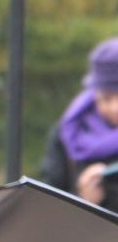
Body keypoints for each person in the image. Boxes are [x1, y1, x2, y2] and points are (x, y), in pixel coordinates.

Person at [41, 37, 118, 212]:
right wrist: (82, 200)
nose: (115, 107)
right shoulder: (70, 131)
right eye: (106, 98)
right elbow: (48, 201)